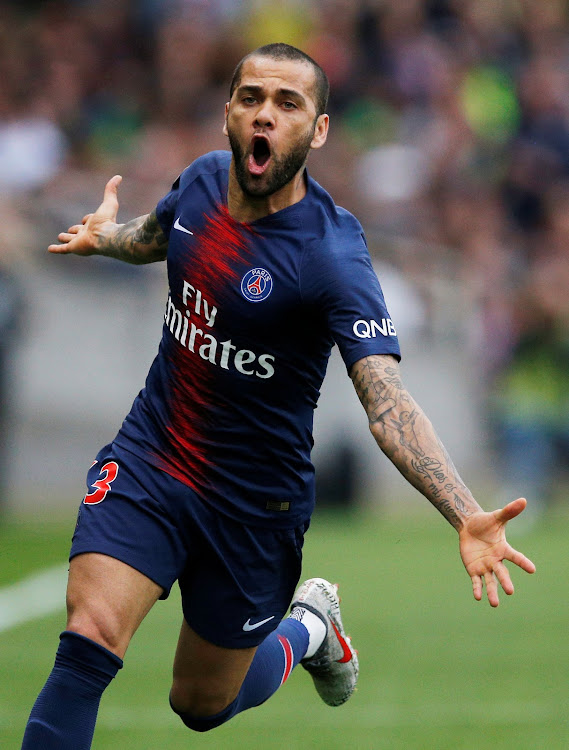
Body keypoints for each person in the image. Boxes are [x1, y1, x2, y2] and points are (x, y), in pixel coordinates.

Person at [21, 43, 535, 749]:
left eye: (287, 103)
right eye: (251, 98)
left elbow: (385, 402)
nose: (265, 116)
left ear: (317, 130)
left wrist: (461, 511)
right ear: (229, 110)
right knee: (89, 638)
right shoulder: (201, 181)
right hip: (153, 456)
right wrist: (107, 239)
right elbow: (160, 235)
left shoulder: (331, 254)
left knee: (200, 704)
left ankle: (310, 626)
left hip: (253, 501)